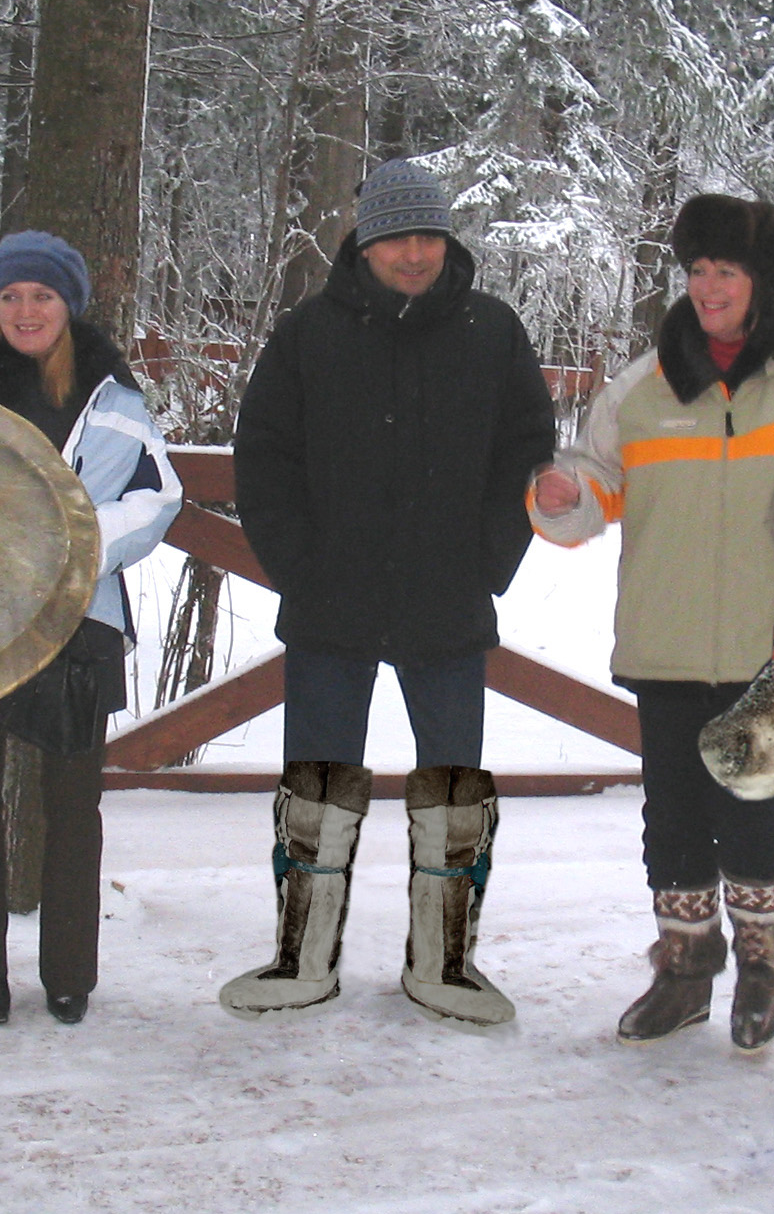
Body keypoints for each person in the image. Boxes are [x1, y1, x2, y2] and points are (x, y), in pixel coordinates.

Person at [530, 195, 774, 1050]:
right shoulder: (643, 388)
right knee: (670, 814)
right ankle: (684, 967)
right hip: (662, 638)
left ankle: (761, 965)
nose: (707, 287)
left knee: (747, 811)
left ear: (763, 283)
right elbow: (596, 478)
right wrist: (563, 496)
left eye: (727, 272)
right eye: (697, 270)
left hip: (773, 652)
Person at [222, 157, 557, 1026]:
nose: (414, 254)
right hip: (331, 600)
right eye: (396, 238)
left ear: (446, 241)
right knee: (316, 788)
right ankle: (302, 959)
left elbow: (527, 449)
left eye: (427, 237)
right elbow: (262, 456)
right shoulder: (307, 333)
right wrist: (298, 562)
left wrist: (489, 559)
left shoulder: (491, 330)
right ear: (364, 243)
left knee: (453, 790)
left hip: (447, 600)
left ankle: (443, 964)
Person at [0, 230, 181, 1027]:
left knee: (72, 801)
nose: (25, 310)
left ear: (66, 302)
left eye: (41, 295)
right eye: (10, 296)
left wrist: (64, 551)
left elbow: (155, 497)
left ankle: (69, 973)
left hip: (78, 616)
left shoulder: (112, 394)